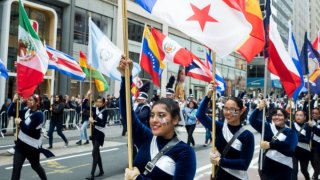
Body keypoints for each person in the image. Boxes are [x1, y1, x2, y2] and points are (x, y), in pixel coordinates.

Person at [118, 58, 196, 180]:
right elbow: (126, 113)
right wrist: (126, 77)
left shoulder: (185, 152)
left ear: (175, 120)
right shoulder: (146, 137)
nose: (154, 120)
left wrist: (138, 179)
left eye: (161, 115)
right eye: (152, 115)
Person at [196, 83, 254, 180]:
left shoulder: (247, 136)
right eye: (225, 108)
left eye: (232, 109)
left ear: (241, 111)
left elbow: (244, 164)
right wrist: (208, 96)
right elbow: (200, 115)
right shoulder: (219, 127)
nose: (227, 112)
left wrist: (220, 161)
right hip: (218, 176)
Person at [8, 94, 54, 180]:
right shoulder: (26, 111)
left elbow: (29, 130)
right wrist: (14, 102)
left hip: (32, 147)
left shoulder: (39, 115)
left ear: (37, 102)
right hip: (20, 146)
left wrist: (20, 122)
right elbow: (9, 113)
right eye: (28, 99)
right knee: (16, 169)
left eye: (31, 100)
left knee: (35, 166)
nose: (28, 101)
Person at [249, 100, 298, 180]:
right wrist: (259, 108)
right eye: (274, 115)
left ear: (285, 119)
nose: (277, 117)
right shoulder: (267, 127)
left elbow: (289, 147)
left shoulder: (291, 132)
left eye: (280, 115)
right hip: (266, 167)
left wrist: (270, 145)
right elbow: (252, 121)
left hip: (284, 169)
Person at [86, 95, 108, 180]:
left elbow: (103, 124)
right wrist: (88, 97)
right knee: (97, 153)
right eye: (97, 101)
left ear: (103, 103)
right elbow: (85, 106)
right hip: (94, 132)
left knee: (94, 152)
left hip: (100, 134)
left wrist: (93, 122)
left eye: (99, 102)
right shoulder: (95, 109)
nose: (98, 103)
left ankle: (92, 175)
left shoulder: (105, 111)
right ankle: (101, 171)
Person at [292, 110, 311, 180]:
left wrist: (295, 137)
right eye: (297, 115)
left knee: (304, 170)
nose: (298, 117)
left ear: (305, 117)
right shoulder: (292, 125)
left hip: (304, 151)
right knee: (294, 171)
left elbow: (307, 139)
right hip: (294, 152)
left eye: (300, 115)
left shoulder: (308, 126)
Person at [309, 107, 320, 180]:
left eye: (316, 113)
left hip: (319, 144)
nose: (314, 114)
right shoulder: (310, 122)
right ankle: (317, 171)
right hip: (310, 143)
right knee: (312, 161)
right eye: (313, 113)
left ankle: (315, 175)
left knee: (316, 160)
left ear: (319, 114)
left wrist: (313, 127)